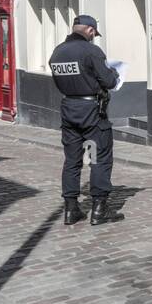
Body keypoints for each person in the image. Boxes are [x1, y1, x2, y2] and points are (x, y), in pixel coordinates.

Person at [48, 15, 122, 226]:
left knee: (72, 160)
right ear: (90, 30)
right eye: (94, 34)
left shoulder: (57, 52)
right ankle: (99, 209)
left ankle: (71, 209)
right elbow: (108, 81)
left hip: (68, 108)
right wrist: (114, 74)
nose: (94, 37)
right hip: (91, 111)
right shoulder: (92, 51)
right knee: (98, 157)